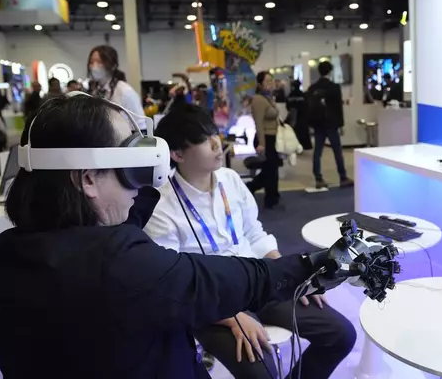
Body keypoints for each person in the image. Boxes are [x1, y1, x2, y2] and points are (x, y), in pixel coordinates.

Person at [0, 94, 352, 379]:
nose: (140, 179)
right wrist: (311, 267)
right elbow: (211, 283)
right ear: (88, 179)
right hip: (226, 295)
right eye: (128, 165)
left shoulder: (7, 254)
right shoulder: (117, 263)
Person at [145, 103, 357, 379]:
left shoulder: (230, 179)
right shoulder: (162, 205)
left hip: (259, 280)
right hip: (211, 300)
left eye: (214, 133)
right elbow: (176, 286)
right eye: (202, 139)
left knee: (340, 334)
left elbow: (255, 233)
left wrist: (294, 277)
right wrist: (231, 316)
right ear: (177, 154)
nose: (215, 143)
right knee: (263, 373)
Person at [306, 61, 353, 190]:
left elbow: (308, 107)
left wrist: (310, 123)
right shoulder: (334, 87)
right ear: (330, 72)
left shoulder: (313, 88)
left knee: (317, 152)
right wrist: (341, 124)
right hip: (332, 123)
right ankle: (343, 177)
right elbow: (338, 107)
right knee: (337, 151)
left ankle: (318, 178)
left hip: (318, 124)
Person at [87, 45, 147, 130]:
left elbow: (141, 126)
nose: (94, 66)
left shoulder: (124, 91)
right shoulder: (96, 92)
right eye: (91, 62)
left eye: (99, 62)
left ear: (113, 65)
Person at [247, 71, 281, 209]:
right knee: (270, 170)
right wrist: (262, 144)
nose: (271, 83)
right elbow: (259, 123)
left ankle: (272, 195)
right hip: (264, 138)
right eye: (267, 81)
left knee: (272, 168)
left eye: (272, 80)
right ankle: (251, 188)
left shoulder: (268, 98)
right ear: (259, 84)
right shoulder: (258, 100)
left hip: (271, 138)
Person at [286, 79, 312, 150]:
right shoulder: (302, 95)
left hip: (293, 117)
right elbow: (306, 106)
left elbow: (288, 106)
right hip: (302, 117)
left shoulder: (290, 95)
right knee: (302, 132)